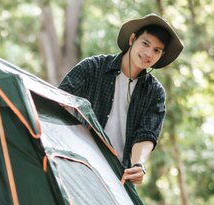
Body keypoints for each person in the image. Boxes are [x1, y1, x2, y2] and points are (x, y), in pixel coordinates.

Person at [59, 14, 183, 185]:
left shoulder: (155, 93)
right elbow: (59, 102)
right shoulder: (92, 67)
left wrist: (138, 164)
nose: (148, 53)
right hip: (79, 163)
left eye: (156, 50)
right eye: (145, 44)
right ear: (132, 39)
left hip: (118, 176)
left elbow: (146, 134)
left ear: (161, 56)